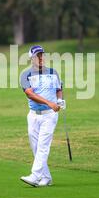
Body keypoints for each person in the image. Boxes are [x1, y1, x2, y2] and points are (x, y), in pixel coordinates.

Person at [19, 45, 66, 187]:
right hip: (33, 115)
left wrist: (59, 101)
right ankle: (46, 177)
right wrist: (49, 102)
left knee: (43, 146)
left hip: (49, 116)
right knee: (36, 148)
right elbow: (30, 94)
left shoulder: (53, 72)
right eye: (37, 56)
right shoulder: (25, 75)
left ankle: (35, 176)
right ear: (31, 58)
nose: (40, 58)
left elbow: (59, 89)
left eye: (42, 55)